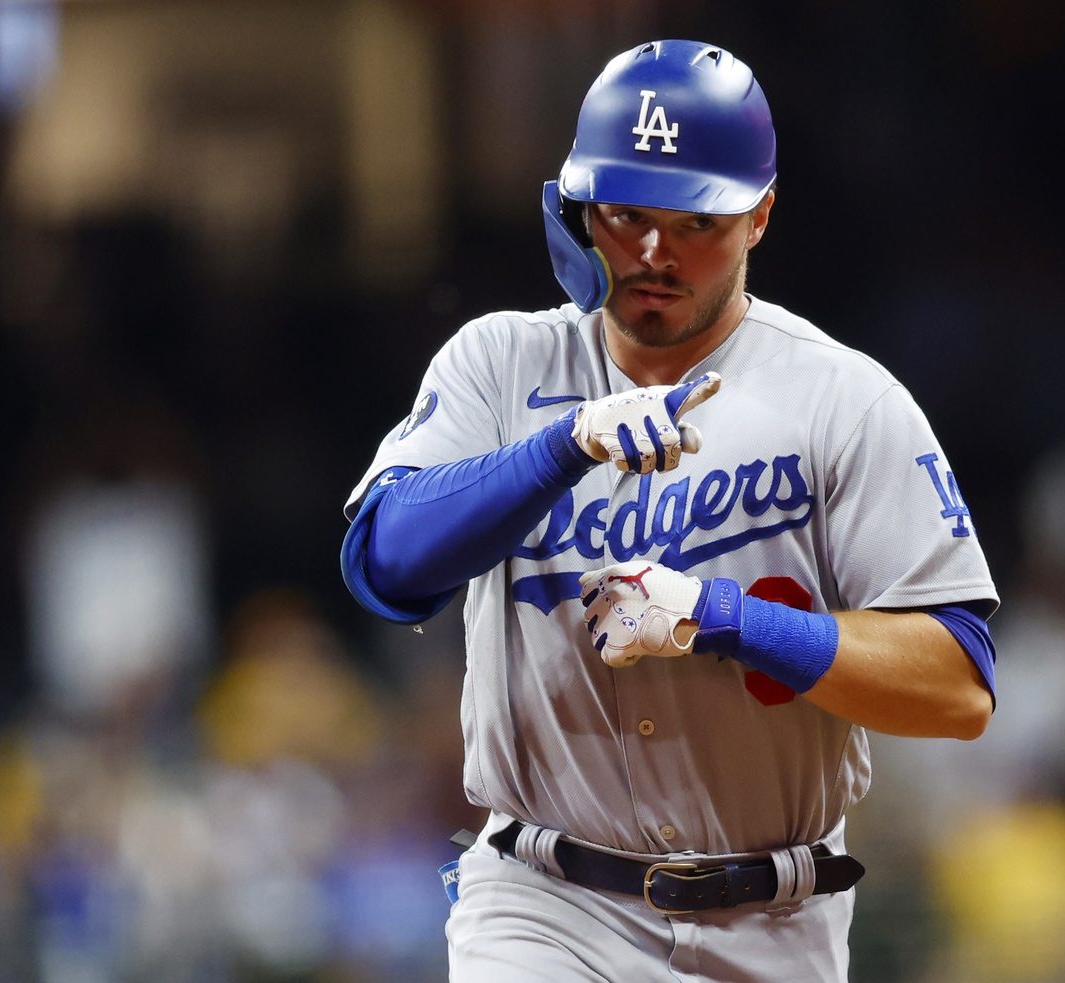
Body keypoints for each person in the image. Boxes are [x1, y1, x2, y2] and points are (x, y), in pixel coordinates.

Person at [340, 39, 999, 982]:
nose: (653, 253)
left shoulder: (842, 400)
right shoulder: (503, 365)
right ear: (579, 209)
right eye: (625, 215)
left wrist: (720, 619)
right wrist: (562, 446)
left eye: (694, 221)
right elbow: (383, 566)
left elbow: (958, 685)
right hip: (543, 907)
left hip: (774, 920)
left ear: (760, 216)